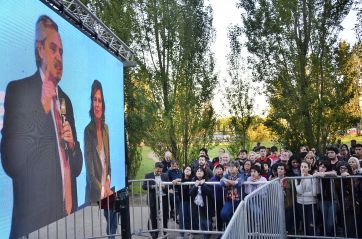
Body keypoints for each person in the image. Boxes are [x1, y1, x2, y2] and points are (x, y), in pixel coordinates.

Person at [1, 15, 83, 238]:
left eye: (62, 52)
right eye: (53, 49)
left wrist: (73, 145)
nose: (59, 58)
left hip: (67, 223)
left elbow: (76, 169)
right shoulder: (19, 91)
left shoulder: (66, 100)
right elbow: (11, 163)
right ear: (39, 49)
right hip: (33, 228)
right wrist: (43, 110)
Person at [84, 80, 116, 237]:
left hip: (108, 185)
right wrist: (104, 189)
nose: (97, 104)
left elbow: (108, 160)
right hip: (97, 188)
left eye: (100, 100)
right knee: (110, 216)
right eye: (94, 100)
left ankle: (111, 236)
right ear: (91, 103)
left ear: (103, 104)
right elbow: (90, 173)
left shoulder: (106, 128)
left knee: (113, 218)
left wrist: (109, 180)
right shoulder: (87, 131)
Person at [142, 162, 169, 239]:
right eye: (158, 171)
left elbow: (168, 187)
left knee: (164, 216)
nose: (159, 173)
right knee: (153, 217)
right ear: (155, 168)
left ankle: (164, 233)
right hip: (153, 199)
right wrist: (153, 186)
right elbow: (144, 186)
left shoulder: (165, 175)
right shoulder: (148, 175)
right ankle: (154, 233)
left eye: (160, 171)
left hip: (163, 199)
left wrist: (164, 187)